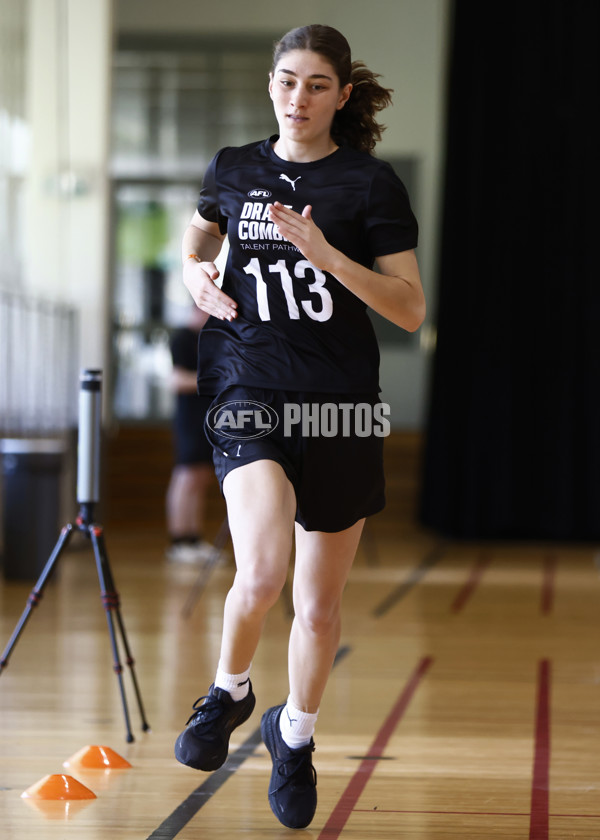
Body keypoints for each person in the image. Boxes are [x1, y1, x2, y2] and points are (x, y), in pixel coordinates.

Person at [174, 24, 425, 829]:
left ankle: (296, 735)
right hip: (250, 386)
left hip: (340, 405)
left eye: (317, 84)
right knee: (263, 571)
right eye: (287, 80)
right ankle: (227, 692)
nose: (298, 97)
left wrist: (329, 257)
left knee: (317, 608)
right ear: (271, 84)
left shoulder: (369, 185)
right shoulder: (234, 168)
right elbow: (201, 227)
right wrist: (193, 272)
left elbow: (412, 311)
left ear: (342, 95)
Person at [165, 304, 215, 563]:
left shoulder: (209, 338)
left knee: (201, 478)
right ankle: (178, 540)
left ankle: (194, 538)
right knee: (185, 477)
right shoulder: (182, 338)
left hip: (209, 418)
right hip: (189, 420)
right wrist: (214, 380)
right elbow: (176, 380)